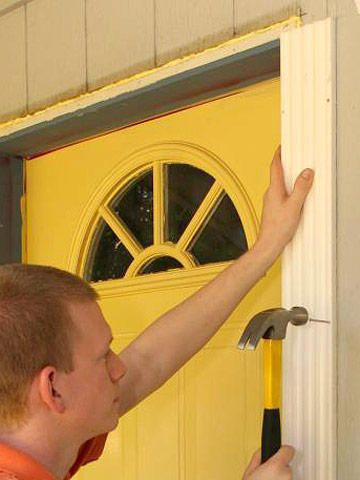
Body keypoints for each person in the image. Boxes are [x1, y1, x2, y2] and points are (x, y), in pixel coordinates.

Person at [0, 147, 314, 480]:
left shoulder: (42, 436)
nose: (119, 367)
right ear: (54, 389)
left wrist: (265, 249)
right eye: (103, 357)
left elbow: (150, 359)